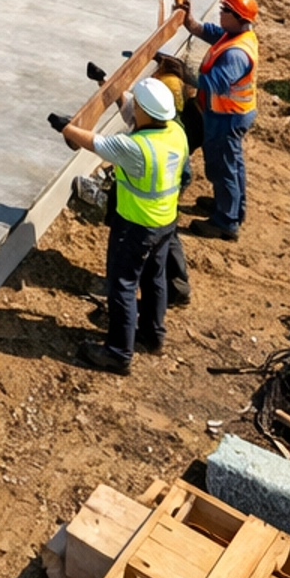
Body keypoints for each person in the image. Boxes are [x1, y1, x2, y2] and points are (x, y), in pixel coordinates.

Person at [50, 77, 189, 374]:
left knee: (122, 285)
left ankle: (118, 352)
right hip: (165, 222)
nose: (133, 107)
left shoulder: (136, 147)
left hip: (136, 227)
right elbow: (135, 114)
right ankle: (152, 335)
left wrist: (66, 127)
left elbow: (96, 143)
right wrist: (108, 86)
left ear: (146, 112)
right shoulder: (176, 132)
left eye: (137, 104)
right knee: (154, 279)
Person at [183, 0, 259, 242]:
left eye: (225, 10)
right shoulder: (237, 35)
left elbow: (214, 83)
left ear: (238, 17)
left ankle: (225, 222)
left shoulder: (236, 54)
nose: (220, 13)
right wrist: (192, 24)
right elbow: (216, 34)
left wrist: (183, 71)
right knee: (232, 165)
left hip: (226, 117)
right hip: (231, 114)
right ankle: (232, 207)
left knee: (223, 167)